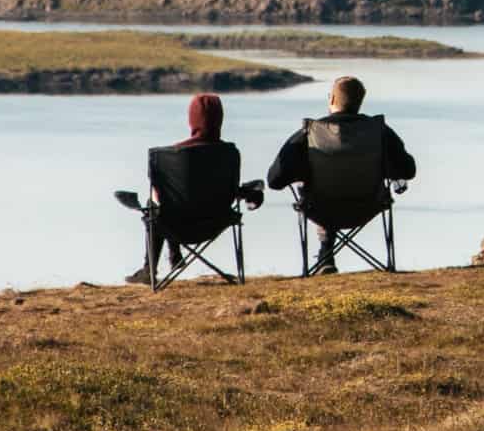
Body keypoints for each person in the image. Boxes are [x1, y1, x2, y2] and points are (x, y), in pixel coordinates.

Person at [268, 76, 415, 274]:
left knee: (315, 186)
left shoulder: (309, 134)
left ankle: (325, 254)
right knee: (333, 184)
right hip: (368, 205)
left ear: (331, 99)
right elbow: (408, 170)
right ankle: (326, 255)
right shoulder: (379, 132)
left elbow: (275, 180)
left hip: (320, 209)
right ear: (360, 102)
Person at [123, 92, 262, 284]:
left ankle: (151, 269)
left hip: (175, 224)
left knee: (154, 206)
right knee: (170, 203)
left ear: (192, 119)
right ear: (220, 119)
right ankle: (174, 255)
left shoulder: (170, 156)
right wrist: (252, 193)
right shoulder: (230, 153)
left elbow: (160, 194)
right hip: (216, 221)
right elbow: (231, 190)